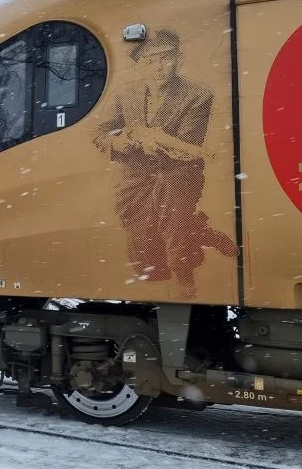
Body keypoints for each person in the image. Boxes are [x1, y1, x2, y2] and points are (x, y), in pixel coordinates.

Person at [92, 27, 237, 298]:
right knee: (149, 264)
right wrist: (117, 143)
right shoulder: (124, 94)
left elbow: (187, 143)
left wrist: (151, 141)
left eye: (165, 59)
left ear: (178, 59)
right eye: (149, 61)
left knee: (174, 220)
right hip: (135, 174)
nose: (158, 67)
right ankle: (201, 232)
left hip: (178, 171)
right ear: (138, 66)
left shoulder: (198, 95)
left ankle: (184, 275)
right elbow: (100, 132)